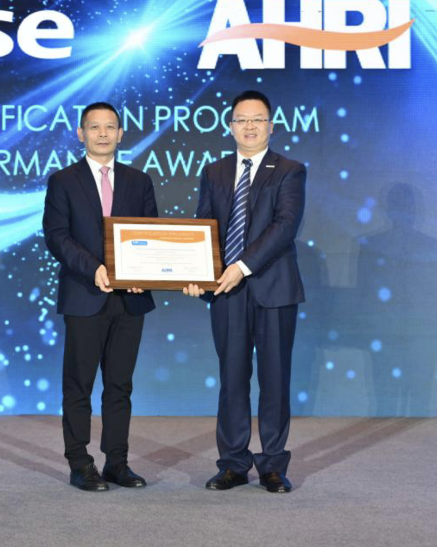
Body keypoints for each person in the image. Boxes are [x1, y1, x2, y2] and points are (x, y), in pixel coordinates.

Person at [183, 90, 306, 493]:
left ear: (271, 125)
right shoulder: (214, 171)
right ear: (230, 126)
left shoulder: (289, 170)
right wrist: (198, 274)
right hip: (226, 292)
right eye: (242, 119)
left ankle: (273, 465)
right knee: (232, 377)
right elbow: (204, 228)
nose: (250, 126)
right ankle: (233, 464)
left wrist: (241, 266)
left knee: (274, 378)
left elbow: (284, 226)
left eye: (257, 119)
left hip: (274, 288)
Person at [43, 102, 158, 491]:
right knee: (78, 385)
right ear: (81, 133)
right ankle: (80, 463)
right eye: (95, 127)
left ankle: (117, 463)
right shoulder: (63, 181)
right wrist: (93, 268)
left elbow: (150, 234)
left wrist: (142, 273)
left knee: (120, 385)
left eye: (110, 127)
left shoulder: (139, 181)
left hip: (130, 299)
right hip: (84, 293)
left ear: (121, 134)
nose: (103, 133)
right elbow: (57, 236)